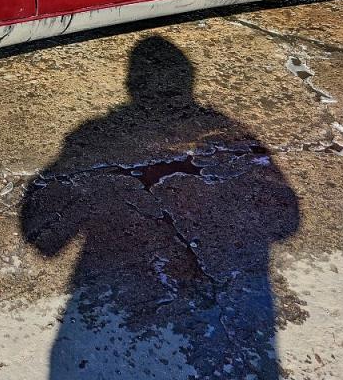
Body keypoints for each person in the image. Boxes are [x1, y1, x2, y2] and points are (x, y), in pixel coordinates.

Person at [20, 35, 299, 379]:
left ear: (129, 84)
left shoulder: (93, 136)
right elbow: (285, 220)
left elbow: (45, 237)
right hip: (204, 333)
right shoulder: (227, 132)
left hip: (106, 327)